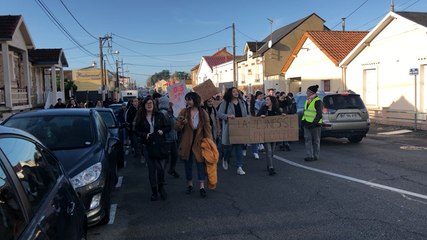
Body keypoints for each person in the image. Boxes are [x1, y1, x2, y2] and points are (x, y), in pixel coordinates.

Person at [175, 92, 213, 198]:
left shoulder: (203, 112)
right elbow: (176, 127)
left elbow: (207, 128)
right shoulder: (184, 112)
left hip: (199, 141)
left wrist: (210, 142)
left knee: (200, 164)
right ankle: (190, 185)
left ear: (195, 100)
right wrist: (182, 123)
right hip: (187, 141)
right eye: (186, 100)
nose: (187, 102)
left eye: (189, 100)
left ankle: (201, 186)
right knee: (188, 164)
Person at [134, 96, 170, 201]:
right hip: (147, 146)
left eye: (151, 103)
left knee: (160, 169)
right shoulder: (141, 117)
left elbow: (168, 127)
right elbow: (136, 130)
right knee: (151, 169)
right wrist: (145, 135)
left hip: (159, 145)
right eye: (147, 103)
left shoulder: (159, 115)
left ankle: (161, 188)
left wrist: (162, 131)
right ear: (144, 105)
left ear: (154, 105)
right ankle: (154, 192)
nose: (149, 105)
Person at [217, 87, 249, 175]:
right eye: (233, 91)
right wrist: (227, 116)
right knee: (228, 148)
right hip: (229, 129)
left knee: (239, 147)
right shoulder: (225, 103)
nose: (236, 93)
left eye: (237, 91)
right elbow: (219, 114)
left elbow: (246, 115)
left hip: (240, 129)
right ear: (230, 93)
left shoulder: (242, 102)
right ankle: (225, 158)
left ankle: (239, 166)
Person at [257, 96, 283, 175]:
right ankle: (271, 167)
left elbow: (281, 119)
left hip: (274, 133)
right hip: (265, 133)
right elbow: (256, 118)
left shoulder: (276, 109)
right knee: (269, 150)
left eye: (268, 100)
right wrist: (261, 116)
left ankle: (269, 165)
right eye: (266, 100)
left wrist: (284, 115)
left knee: (272, 151)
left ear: (272, 101)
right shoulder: (263, 109)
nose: (266, 101)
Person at [158, 96, 180, 178]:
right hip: (167, 139)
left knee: (175, 155)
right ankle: (161, 176)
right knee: (166, 158)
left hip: (172, 138)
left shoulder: (169, 112)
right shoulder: (163, 113)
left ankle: (171, 170)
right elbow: (169, 124)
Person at [301, 85, 323, 161]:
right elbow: (305, 112)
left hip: (315, 125)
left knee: (316, 141)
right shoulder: (307, 100)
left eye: (307, 91)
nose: (306, 92)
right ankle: (309, 156)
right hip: (306, 124)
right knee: (308, 140)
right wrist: (303, 121)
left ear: (311, 92)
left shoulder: (318, 101)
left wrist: (314, 123)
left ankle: (316, 156)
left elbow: (319, 114)